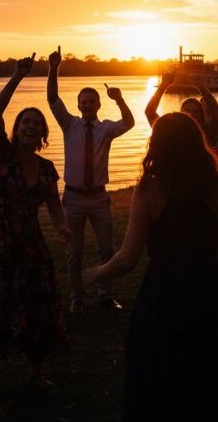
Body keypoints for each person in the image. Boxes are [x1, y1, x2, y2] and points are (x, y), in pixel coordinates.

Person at [83, 112, 218, 422]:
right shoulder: (217, 187)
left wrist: (97, 272)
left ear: (158, 145)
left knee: (160, 374)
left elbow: (127, 259)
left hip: (165, 294)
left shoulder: (150, 189)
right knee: (209, 374)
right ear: (197, 142)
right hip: (208, 292)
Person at [0, 53, 72, 404]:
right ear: (16, 130)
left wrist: (62, 228)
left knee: (39, 302)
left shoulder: (46, 168)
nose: (30, 127)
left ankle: (36, 371)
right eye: (25, 123)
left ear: (44, 134)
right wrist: (16, 76)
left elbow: (54, 205)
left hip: (30, 244)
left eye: (36, 124)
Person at [47, 46, 134, 313]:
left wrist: (119, 99)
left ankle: (106, 295)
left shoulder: (106, 128)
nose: (87, 105)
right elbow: (52, 99)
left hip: (98, 198)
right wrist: (54, 68)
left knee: (106, 250)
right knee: (74, 254)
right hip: (72, 199)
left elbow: (129, 122)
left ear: (98, 104)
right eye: (83, 102)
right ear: (78, 105)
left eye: (91, 101)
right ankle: (77, 298)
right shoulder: (69, 124)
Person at [145, 71, 218, 167]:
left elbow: (215, 112)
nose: (190, 114)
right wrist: (163, 85)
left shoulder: (206, 132)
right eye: (186, 111)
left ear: (201, 116)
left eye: (194, 112)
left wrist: (201, 86)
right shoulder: (172, 133)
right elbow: (149, 112)